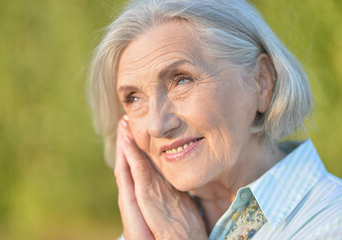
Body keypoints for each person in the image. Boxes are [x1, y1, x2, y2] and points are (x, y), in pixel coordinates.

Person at [88, 0, 342, 239]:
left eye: (181, 80)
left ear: (261, 82)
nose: (157, 125)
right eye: (134, 98)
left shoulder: (331, 223)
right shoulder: (142, 231)